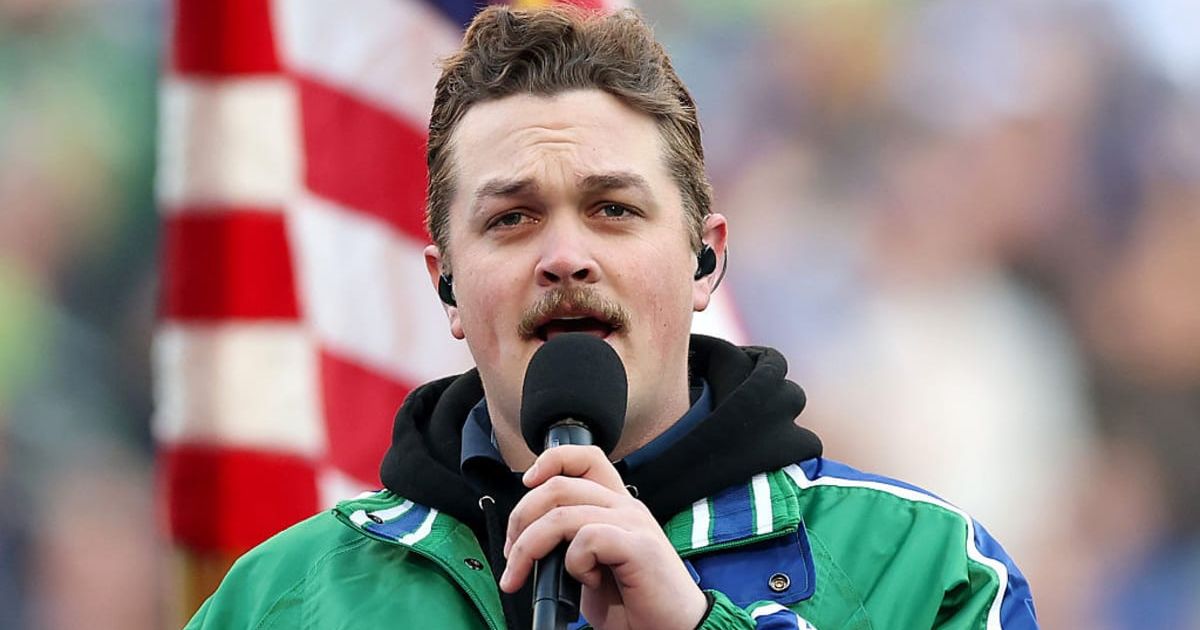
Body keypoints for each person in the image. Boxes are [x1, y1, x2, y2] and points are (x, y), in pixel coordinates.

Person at [186, 6, 1037, 629]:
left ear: (705, 261)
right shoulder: (278, 600)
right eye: (511, 218)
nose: (565, 256)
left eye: (614, 210)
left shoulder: (929, 573)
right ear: (446, 288)